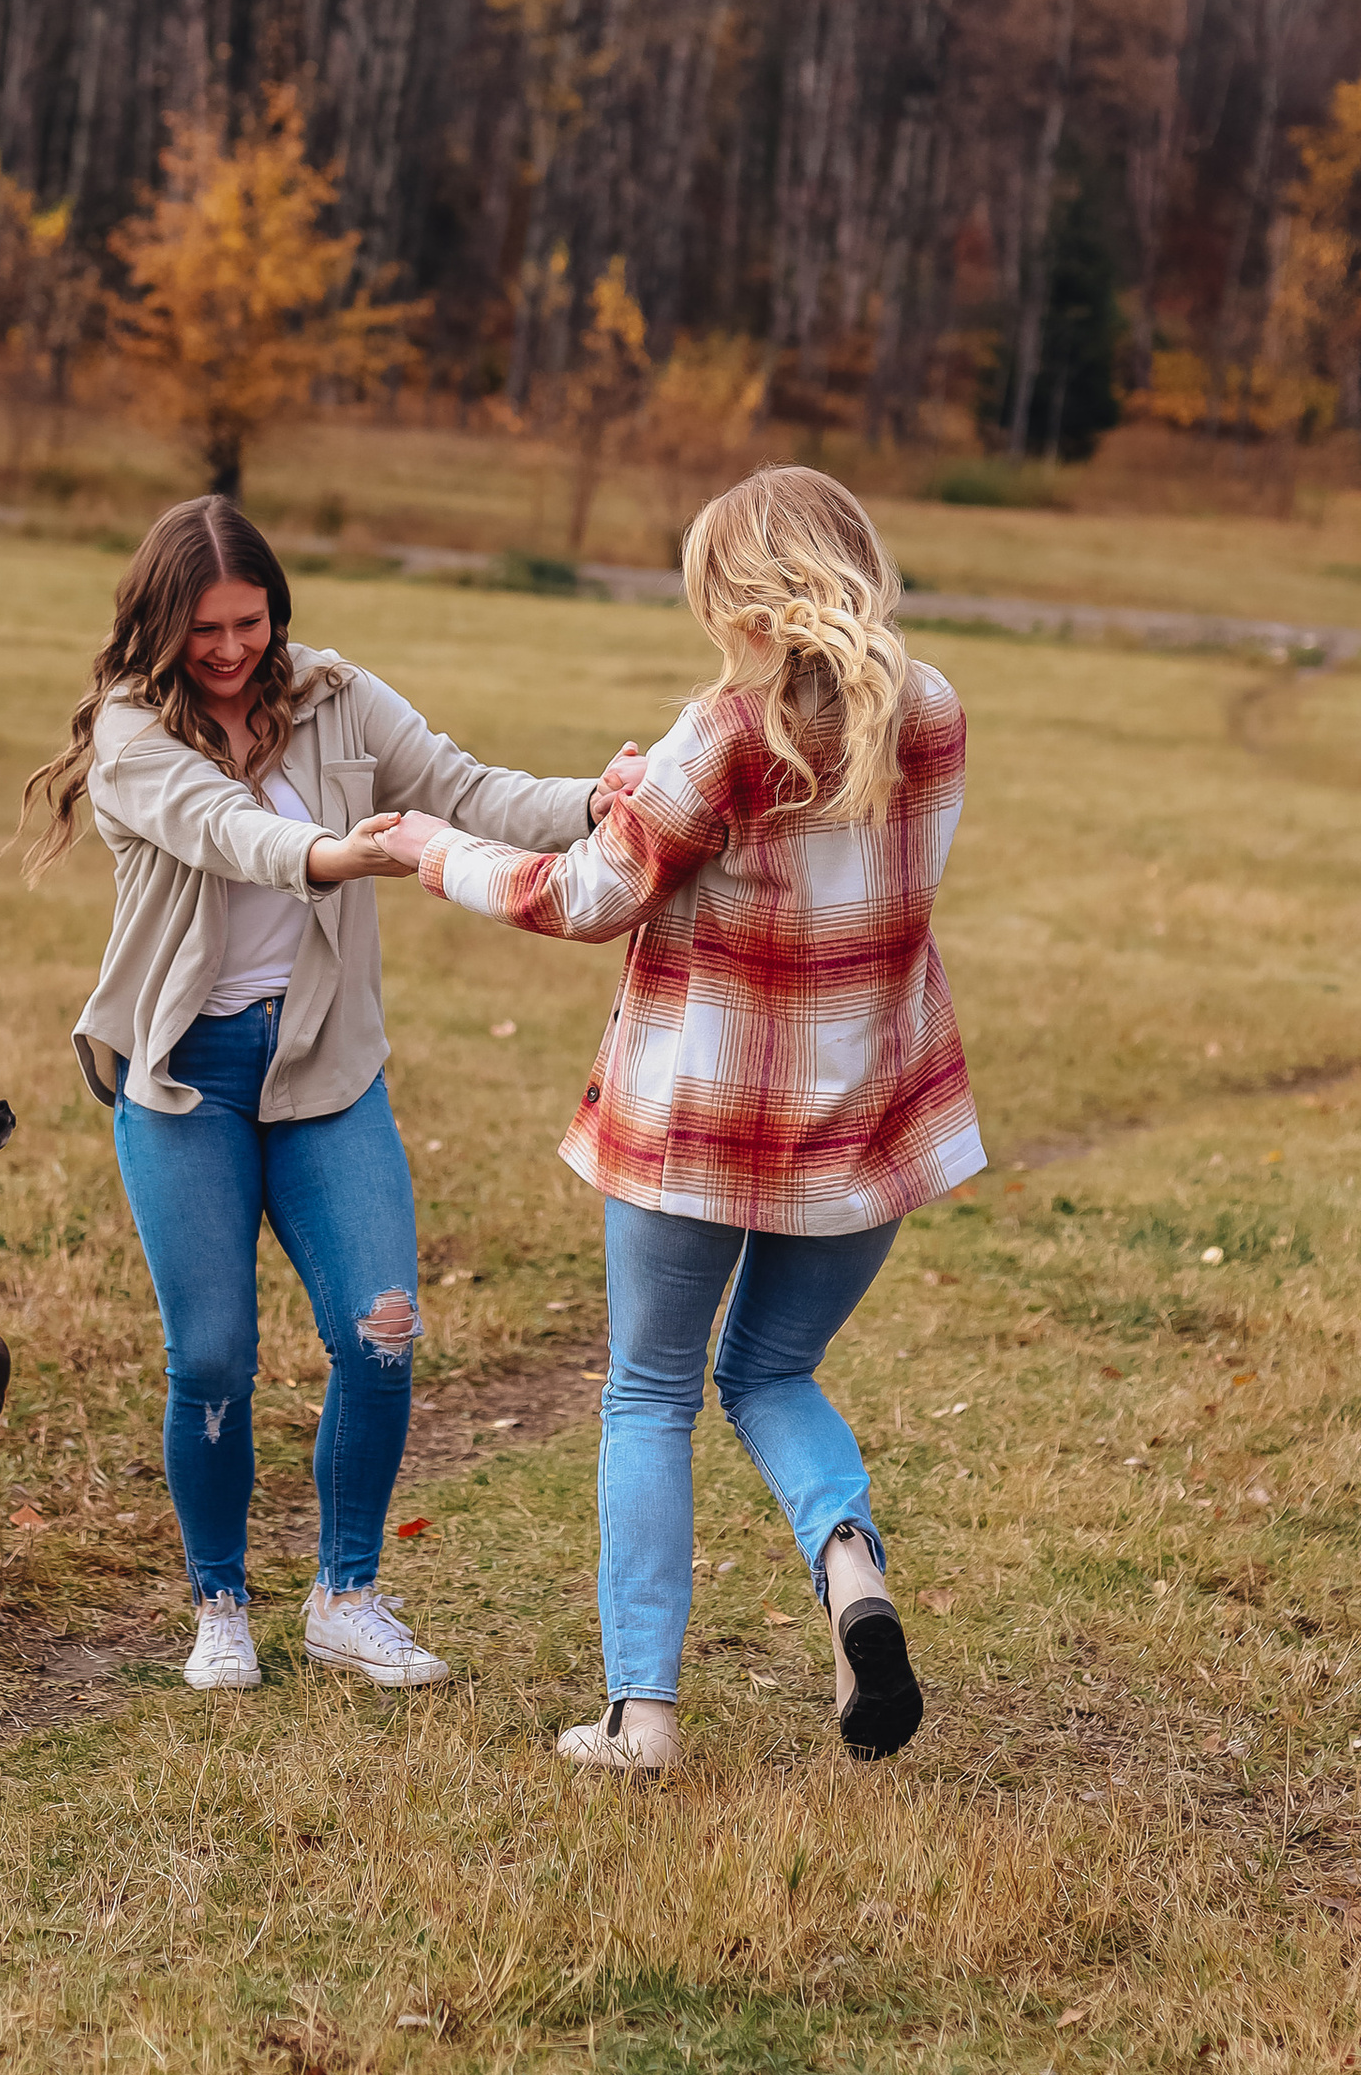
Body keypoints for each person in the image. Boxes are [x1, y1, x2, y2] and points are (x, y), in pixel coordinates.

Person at [383, 466, 984, 1774]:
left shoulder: (726, 731)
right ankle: (849, 1574)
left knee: (651, 1393)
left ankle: (640, 1717)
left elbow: (583, 894)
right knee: (770, 1370)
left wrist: (433, 849)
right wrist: (645, 783)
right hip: (860, 1124)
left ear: (746, 597)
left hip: (697, 1125)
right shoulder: (927, 713)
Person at [24, 495, 638, 1699]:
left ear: (277, 610)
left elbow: (461, 785)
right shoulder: (132, 732)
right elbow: (228, 831)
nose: (228, 649)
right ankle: (220, 1605)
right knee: (210, 1357)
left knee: (384, 1329)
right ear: (157, 624)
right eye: (202, 628)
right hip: (185, 1077)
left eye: (248, 622)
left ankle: (347, 1599)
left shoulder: (335, 696)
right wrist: (343, 856)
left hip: (322, 1068)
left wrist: (590, 803)